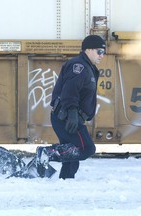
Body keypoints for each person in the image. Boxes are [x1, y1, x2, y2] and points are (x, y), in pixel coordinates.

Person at [36, 35, 106, 179]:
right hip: (67, 117)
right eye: (99, 51)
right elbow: (70, 90)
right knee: (86, 148)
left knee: (72, 157)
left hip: (68, 116)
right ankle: (46, 153)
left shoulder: (88, 67)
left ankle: (65, 181)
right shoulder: (79, 66)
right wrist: (73, 113)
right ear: (88, 50)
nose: (102, 56)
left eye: (103, 52)